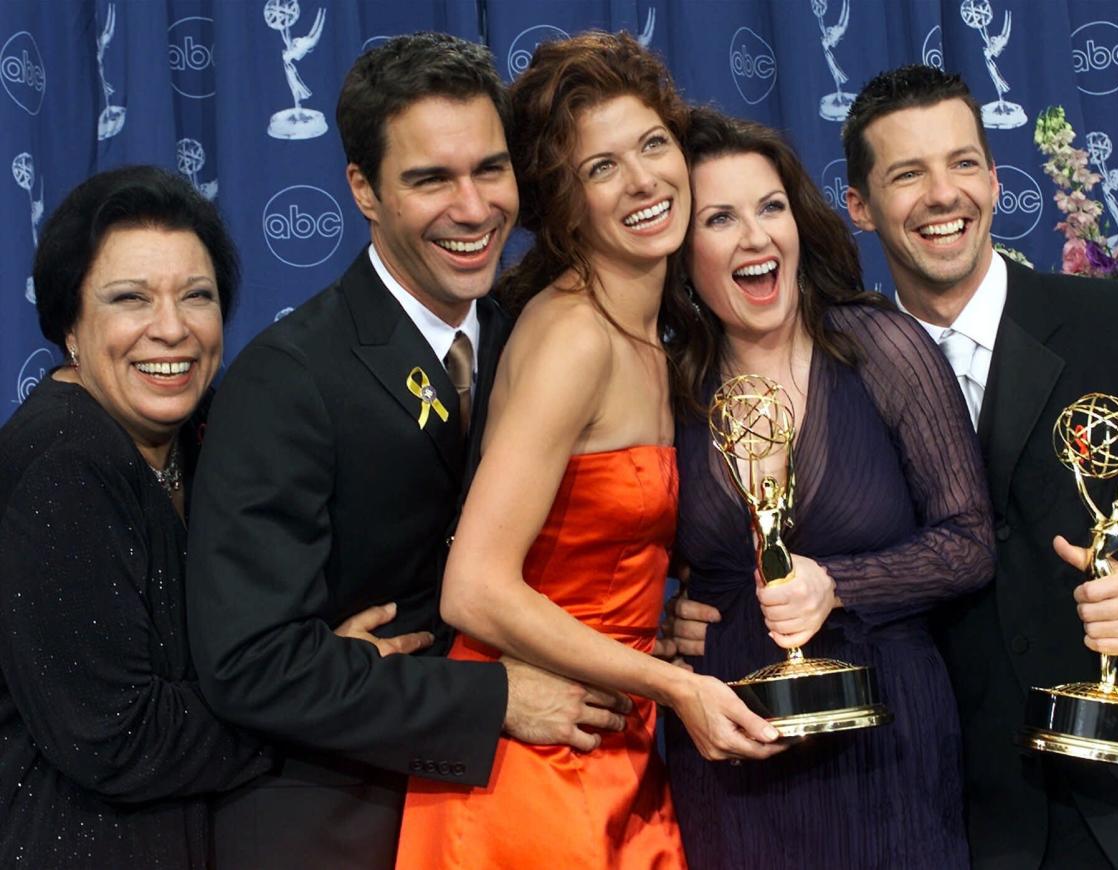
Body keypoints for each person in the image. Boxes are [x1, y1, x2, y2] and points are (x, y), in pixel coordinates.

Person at [186, 34, 628, 869]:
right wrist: (491, 697)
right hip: (336, 821)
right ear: (364, 190)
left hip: (522, 814)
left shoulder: (532, 343)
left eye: (490, 170)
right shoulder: (287, 377)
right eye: (431, 179)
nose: (472, 208)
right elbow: (249, 663)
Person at [395, 33, 785, 869]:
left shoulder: (659, 333)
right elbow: (474, 589)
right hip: (533, 769)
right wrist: (674, 684)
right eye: (601, 167)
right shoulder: (574, 335)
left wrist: (661, 625)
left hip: (614, 737)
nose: (644, 180)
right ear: (563, 203)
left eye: (652, 144)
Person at [839, 64, 1118, 868]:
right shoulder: (842, 378)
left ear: (992, 179)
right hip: (961, 813)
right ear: (859, 207)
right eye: (906, 174)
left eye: (959, 164)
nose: (940, 195)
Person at [657, 106, 994, 869]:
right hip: (734, 758)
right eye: (719, 218)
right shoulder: (666, 383)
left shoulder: (877, 345)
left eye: (770, 207)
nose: (755, 236)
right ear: (681, 251)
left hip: (888, 748)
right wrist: (655, 625)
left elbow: (969, 543)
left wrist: (835, 584)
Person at [0, 166, 271, 867]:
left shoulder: (209, 433)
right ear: (69, 324)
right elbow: (117, 736)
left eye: (197, 297)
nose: (172, 329)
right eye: (130, 299)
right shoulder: (61, 460)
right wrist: (320, 702)